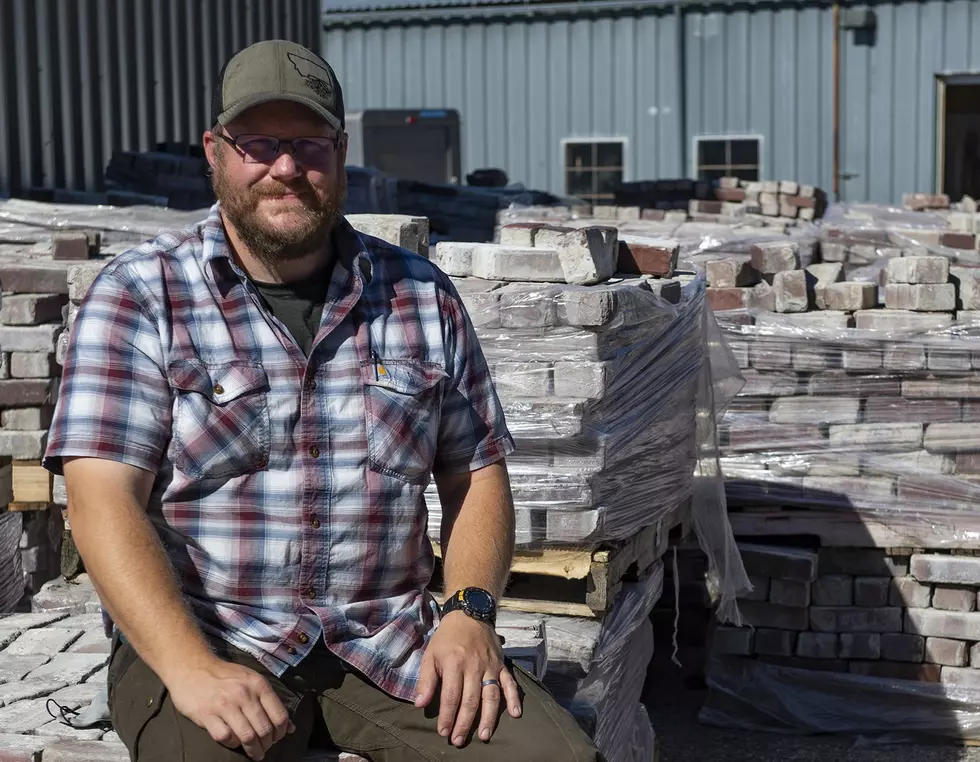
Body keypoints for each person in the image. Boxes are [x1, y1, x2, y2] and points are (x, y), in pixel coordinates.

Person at [42, 40, 603, 762]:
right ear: (215, 150)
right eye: (259, 144)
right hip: (213, 637)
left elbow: (476, 473)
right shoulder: (142, 295)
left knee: (558, 758)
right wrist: (190, 670)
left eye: (308, 144)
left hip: (389, 641)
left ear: (339, 152)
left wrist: (470, 612)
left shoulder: (420, 297)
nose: (285, 168)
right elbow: (100, 502)